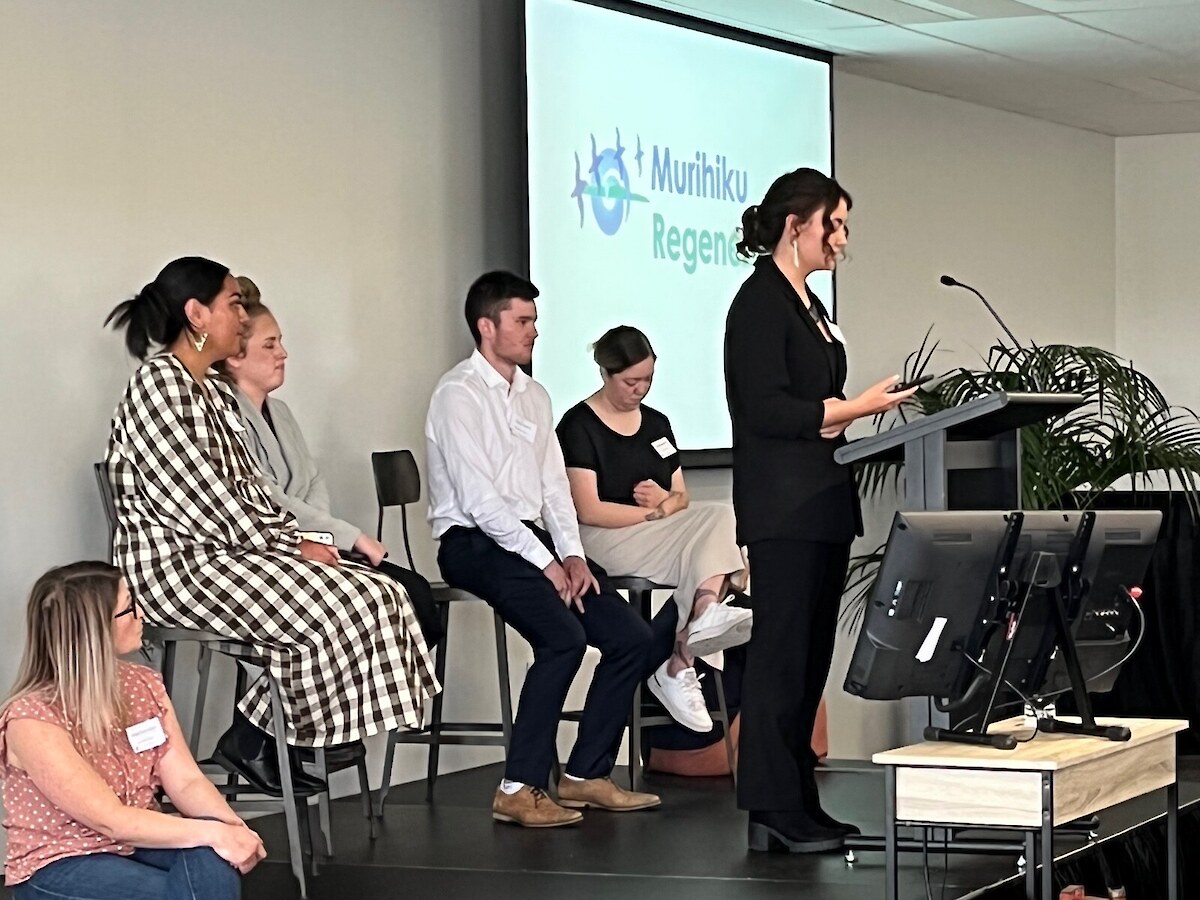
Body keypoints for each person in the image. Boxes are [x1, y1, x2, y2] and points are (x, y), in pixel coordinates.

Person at [103, 257, 439, 796]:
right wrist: (292, 544)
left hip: (229, 555)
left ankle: (268, 733)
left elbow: (248, 491)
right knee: (343, 602)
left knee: (380, 591)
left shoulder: (211, 392)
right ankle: (272, 733)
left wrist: (304, 541)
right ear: (197, 314)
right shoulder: (159, 385)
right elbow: (202, 504)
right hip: (178, 567)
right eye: (233, 303)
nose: (242, 315)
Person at [724, 169, 916, 853]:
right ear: (794, 225)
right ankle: (771, 807)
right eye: (833, 225)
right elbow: (766, 408)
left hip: (821, 499)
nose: (841, 240)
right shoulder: (759, 303)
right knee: (780, 657)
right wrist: (857, 408)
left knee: (808, 661)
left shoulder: (806, 303)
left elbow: (814, 410)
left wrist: (852, 414)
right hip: (783, 506)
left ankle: (798, 798)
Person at [426, 271, 660, 828]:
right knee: (563, 638)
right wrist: (546, 562)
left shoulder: (535, 395)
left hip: (537, 540)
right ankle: (518, 786)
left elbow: (555, 487)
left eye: (535, 321)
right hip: (472, 542)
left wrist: (573, 556)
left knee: (631, 636)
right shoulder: (456, 395)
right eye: (523, 321)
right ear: (487, 327)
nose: (534, 332)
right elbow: (480, 503)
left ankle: (585, 774)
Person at [0, 562, 265, 899]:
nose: (141, 613)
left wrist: (233, 829)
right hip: (63, 857)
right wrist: (215, 833)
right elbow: (111, 820)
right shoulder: (31, 719)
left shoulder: (143, 683)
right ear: (95, 630)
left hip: (138, 837)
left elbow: (185, 780)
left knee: (213, 856)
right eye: (128, 608)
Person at [220, 276, 442, 646]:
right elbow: (267, 497)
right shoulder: (224, 415)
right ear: (235, 357)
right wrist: (348, 537)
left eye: (281, 343)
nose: (283, 353)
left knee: (415, 592)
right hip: (271, 552)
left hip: (311, 542)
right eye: (270, 344)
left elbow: (312, 481)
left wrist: (322, 537)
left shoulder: (282, 412)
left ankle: (386, 701)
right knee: (386, 603)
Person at [556, 325, 751, 734]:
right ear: (604, 373)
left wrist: (665, 502)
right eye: (630, 381)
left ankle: (691, 639)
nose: (640, 390)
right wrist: (655, 514)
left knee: (722, 517)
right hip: (602, 541)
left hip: (656, 534)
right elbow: (588, 510)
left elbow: (680, 497)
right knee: (718, 543)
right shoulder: (579, 425)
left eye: (647, 380)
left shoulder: (657, 424)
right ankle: (684, 651)